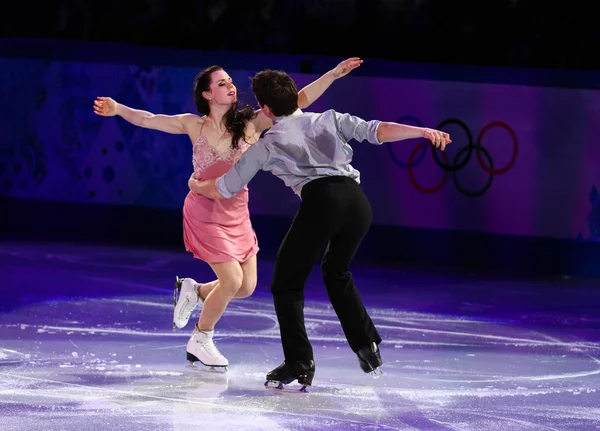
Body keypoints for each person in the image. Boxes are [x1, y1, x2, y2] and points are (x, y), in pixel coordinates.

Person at [92, 58, 363, 369]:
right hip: (204, 211)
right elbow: (149, 118)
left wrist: (331, 75)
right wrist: (118, 109)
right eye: (221, 83)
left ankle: (195, 290)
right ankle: (200, 339)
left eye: (230, 81)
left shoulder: (249, 124)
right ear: (207, 95)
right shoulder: (193, 124)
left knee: (245, 287)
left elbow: (295, 101)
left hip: (236, 214)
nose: (231, 86)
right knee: (232, 280)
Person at [188, 69, 451, 388]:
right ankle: (366, 346)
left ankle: (299, 361)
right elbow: (378, 130)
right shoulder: (330, 118)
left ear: (266, 109)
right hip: (358, 204)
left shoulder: (265, 145)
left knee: (286, 283)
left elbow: (226, 187)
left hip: (322, 204)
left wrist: (196, 185)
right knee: (336, 271)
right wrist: (422, 131)